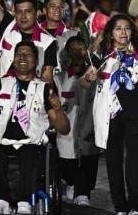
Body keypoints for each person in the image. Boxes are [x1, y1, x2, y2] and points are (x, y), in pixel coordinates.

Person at [0, 41, 70, 215]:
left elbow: (64, 129)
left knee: (29, 152)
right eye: (18, 54)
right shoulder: (0, 84)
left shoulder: (44, 89)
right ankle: (1, 200)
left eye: (28, 54)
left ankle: (25, 200)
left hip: (30, 142)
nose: (22, 57)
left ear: (36, 60)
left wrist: (58, 108)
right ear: (13, 59)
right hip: (1, 140)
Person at [81, 14, 138, 215]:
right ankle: (120, 207)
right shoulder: (102, 56)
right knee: (113, 162)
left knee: (134, 163)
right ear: (111, 33)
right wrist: (89, 78)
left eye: (127, 28)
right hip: (111, 117)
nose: (123, 32)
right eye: (118, 28)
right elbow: (83, 82)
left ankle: (134, 207)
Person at [54, 36, 99, 206]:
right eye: (74, 50)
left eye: (81, 50)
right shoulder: (59, 78)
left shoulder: (95, 75)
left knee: (88, 159)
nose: (78, 54)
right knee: (67, 161)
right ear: (67, 53)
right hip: (67, 129)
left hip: (88, 126)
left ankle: (83, 193)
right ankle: (72, 183)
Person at [40, 0, 78, 71]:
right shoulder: (34, 32)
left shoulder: (74, 35)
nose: (57, 9)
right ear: (44, 10)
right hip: (36, 82)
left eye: (61, 7)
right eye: (53, 6)